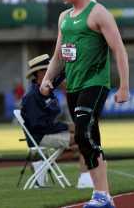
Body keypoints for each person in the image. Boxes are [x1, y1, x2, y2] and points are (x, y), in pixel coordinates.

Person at [40, 0, 129, 208]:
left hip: (96, 84)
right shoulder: (63, 17)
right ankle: (104, 197)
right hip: (74, 86)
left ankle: (100, 194)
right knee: (89, 138)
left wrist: (124, 86)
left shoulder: (99, 13)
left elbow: (119, 50)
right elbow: (59, 54)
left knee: (82, 134)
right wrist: (47, 79)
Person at [21, 54, 93, 188]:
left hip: (45, 134)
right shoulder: (32, 97)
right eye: (50, 70)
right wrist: (66, 127)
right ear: (41, 73)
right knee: (84, 139)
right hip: (40, 136)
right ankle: (84, 180)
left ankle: (42, 164)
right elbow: (39, 126)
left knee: (79, 143)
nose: (54, 73)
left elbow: (63, 74)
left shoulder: (45, 88)